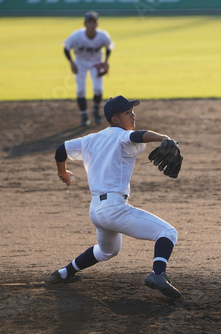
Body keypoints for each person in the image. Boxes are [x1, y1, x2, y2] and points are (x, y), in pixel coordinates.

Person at [48, 95, 182, 299]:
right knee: (167, 232)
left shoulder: (91, 139)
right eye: (128, 112)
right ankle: (158, 274)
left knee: (106, 251)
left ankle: (63, 273)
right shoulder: (121, 136)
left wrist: (63, 173)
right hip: (114, 209)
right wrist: (163, 137)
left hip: (97, 211)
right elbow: (136, 136)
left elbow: (61, 150)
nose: (133, 115)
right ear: (116, 119)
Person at [63, 10, 115, 126]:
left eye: (94, 22)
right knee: (81, 90)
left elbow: (109, 47)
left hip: (96, 63)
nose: (91, 24)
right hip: (80, 63)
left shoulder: (103, 35)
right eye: (89, 22)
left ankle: (95, 111)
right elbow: (66, 48)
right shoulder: (76, 36)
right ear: (85, 24)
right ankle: (84, 115)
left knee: (98, 89)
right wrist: (71, 62)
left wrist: (106, 61)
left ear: (97, 24)